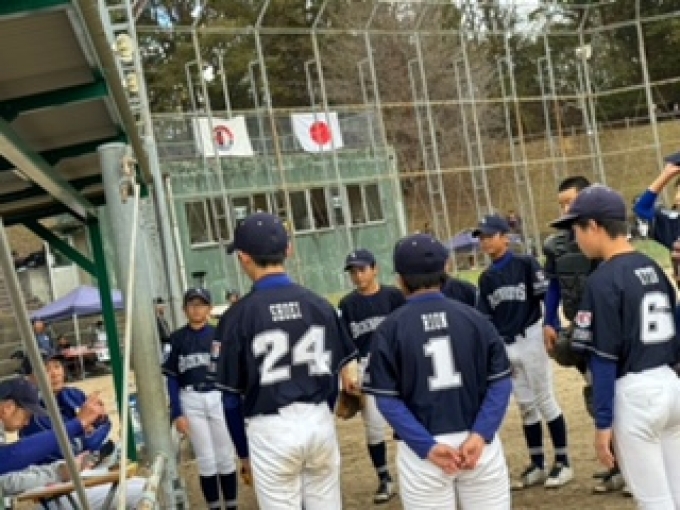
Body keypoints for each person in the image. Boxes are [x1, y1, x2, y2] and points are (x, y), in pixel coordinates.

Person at [211, 212, 357, 510]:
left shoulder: (236, 316)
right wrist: (322, 412)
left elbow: (230, 399)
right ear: (288, 250)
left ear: (243, 257)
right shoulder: (320, 305)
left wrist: (244, 453)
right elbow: (336, 377)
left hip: (270, 429)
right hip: (318, 420)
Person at [551, 184, 680, 509]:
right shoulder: (653, 267)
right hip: (670, 385)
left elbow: (603, 359)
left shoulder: (603, 279)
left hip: (636, 395)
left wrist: (603, 423)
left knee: (654, 502)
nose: (575, 238)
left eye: (577, 228)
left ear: (594, 226)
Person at [363, 233, 513, 509]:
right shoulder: (476, 320)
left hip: (422, 452)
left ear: (400, 280)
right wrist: (481, 434)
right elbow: (501, 384)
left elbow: (387, 400)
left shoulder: (389, 329)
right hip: (478, 445)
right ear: (445, 270)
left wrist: (427, 446)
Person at [474, 214, 573, 489]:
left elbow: (546, 296)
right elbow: (486, 317)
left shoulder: (526, 264)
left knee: (545, 399)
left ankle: (563, 462)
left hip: (531, 338)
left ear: (505, 238)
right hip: (506, 344)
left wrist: (551, 324)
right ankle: (537, 464)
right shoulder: (486, 278)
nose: (484, 241)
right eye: (481, 237)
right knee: (526, 405)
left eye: (489, 235)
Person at [0, 377, 144, 509]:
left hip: (58, 487)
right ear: (8, 408)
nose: (27, 422)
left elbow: (7, 473)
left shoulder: (72, 395)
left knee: (142, 485)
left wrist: (59, 470)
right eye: (26, 415)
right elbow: (6, 459)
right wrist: (78, 424)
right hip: (53, 499)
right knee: (142, 491)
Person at [162, 287, 246, 510]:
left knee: (225, 457)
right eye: (192, 304)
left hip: (217, 396)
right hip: (191, 398)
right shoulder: (176, 339)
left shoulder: (219, 335)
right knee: (206, 460)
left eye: (201, 304)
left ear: (209, 308)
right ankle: (214, 507)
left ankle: (232, 506)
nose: (196, 309)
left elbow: (232, 372)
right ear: (184, 309)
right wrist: (177, 412)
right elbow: (172, 378)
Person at [337, 248, 404, 503]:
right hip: (366, 367)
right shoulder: (347, 305)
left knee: (406, 421)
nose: (357, 275)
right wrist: (348, 373)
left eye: (362, 269)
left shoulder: (394, 297)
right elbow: (345, 344)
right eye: (353, 271)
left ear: (375, 269)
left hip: (398, 364)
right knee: (374, 427)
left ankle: (414, 471)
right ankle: (385, 478)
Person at [20, 351, 115, 465]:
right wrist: (86, 428)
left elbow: (105, 423)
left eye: (57, 366)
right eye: (46, 370)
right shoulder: (33, 415)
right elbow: (69, 451)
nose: (55, 374)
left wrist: (99, 418)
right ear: (29, 379)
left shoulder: (74, 394)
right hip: (56, 471)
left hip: (90, 462)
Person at [632, 153, 680, 281]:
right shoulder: (674, 224)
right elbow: (641, 209)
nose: (677, 197)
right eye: (677, 191)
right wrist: (666, 175)